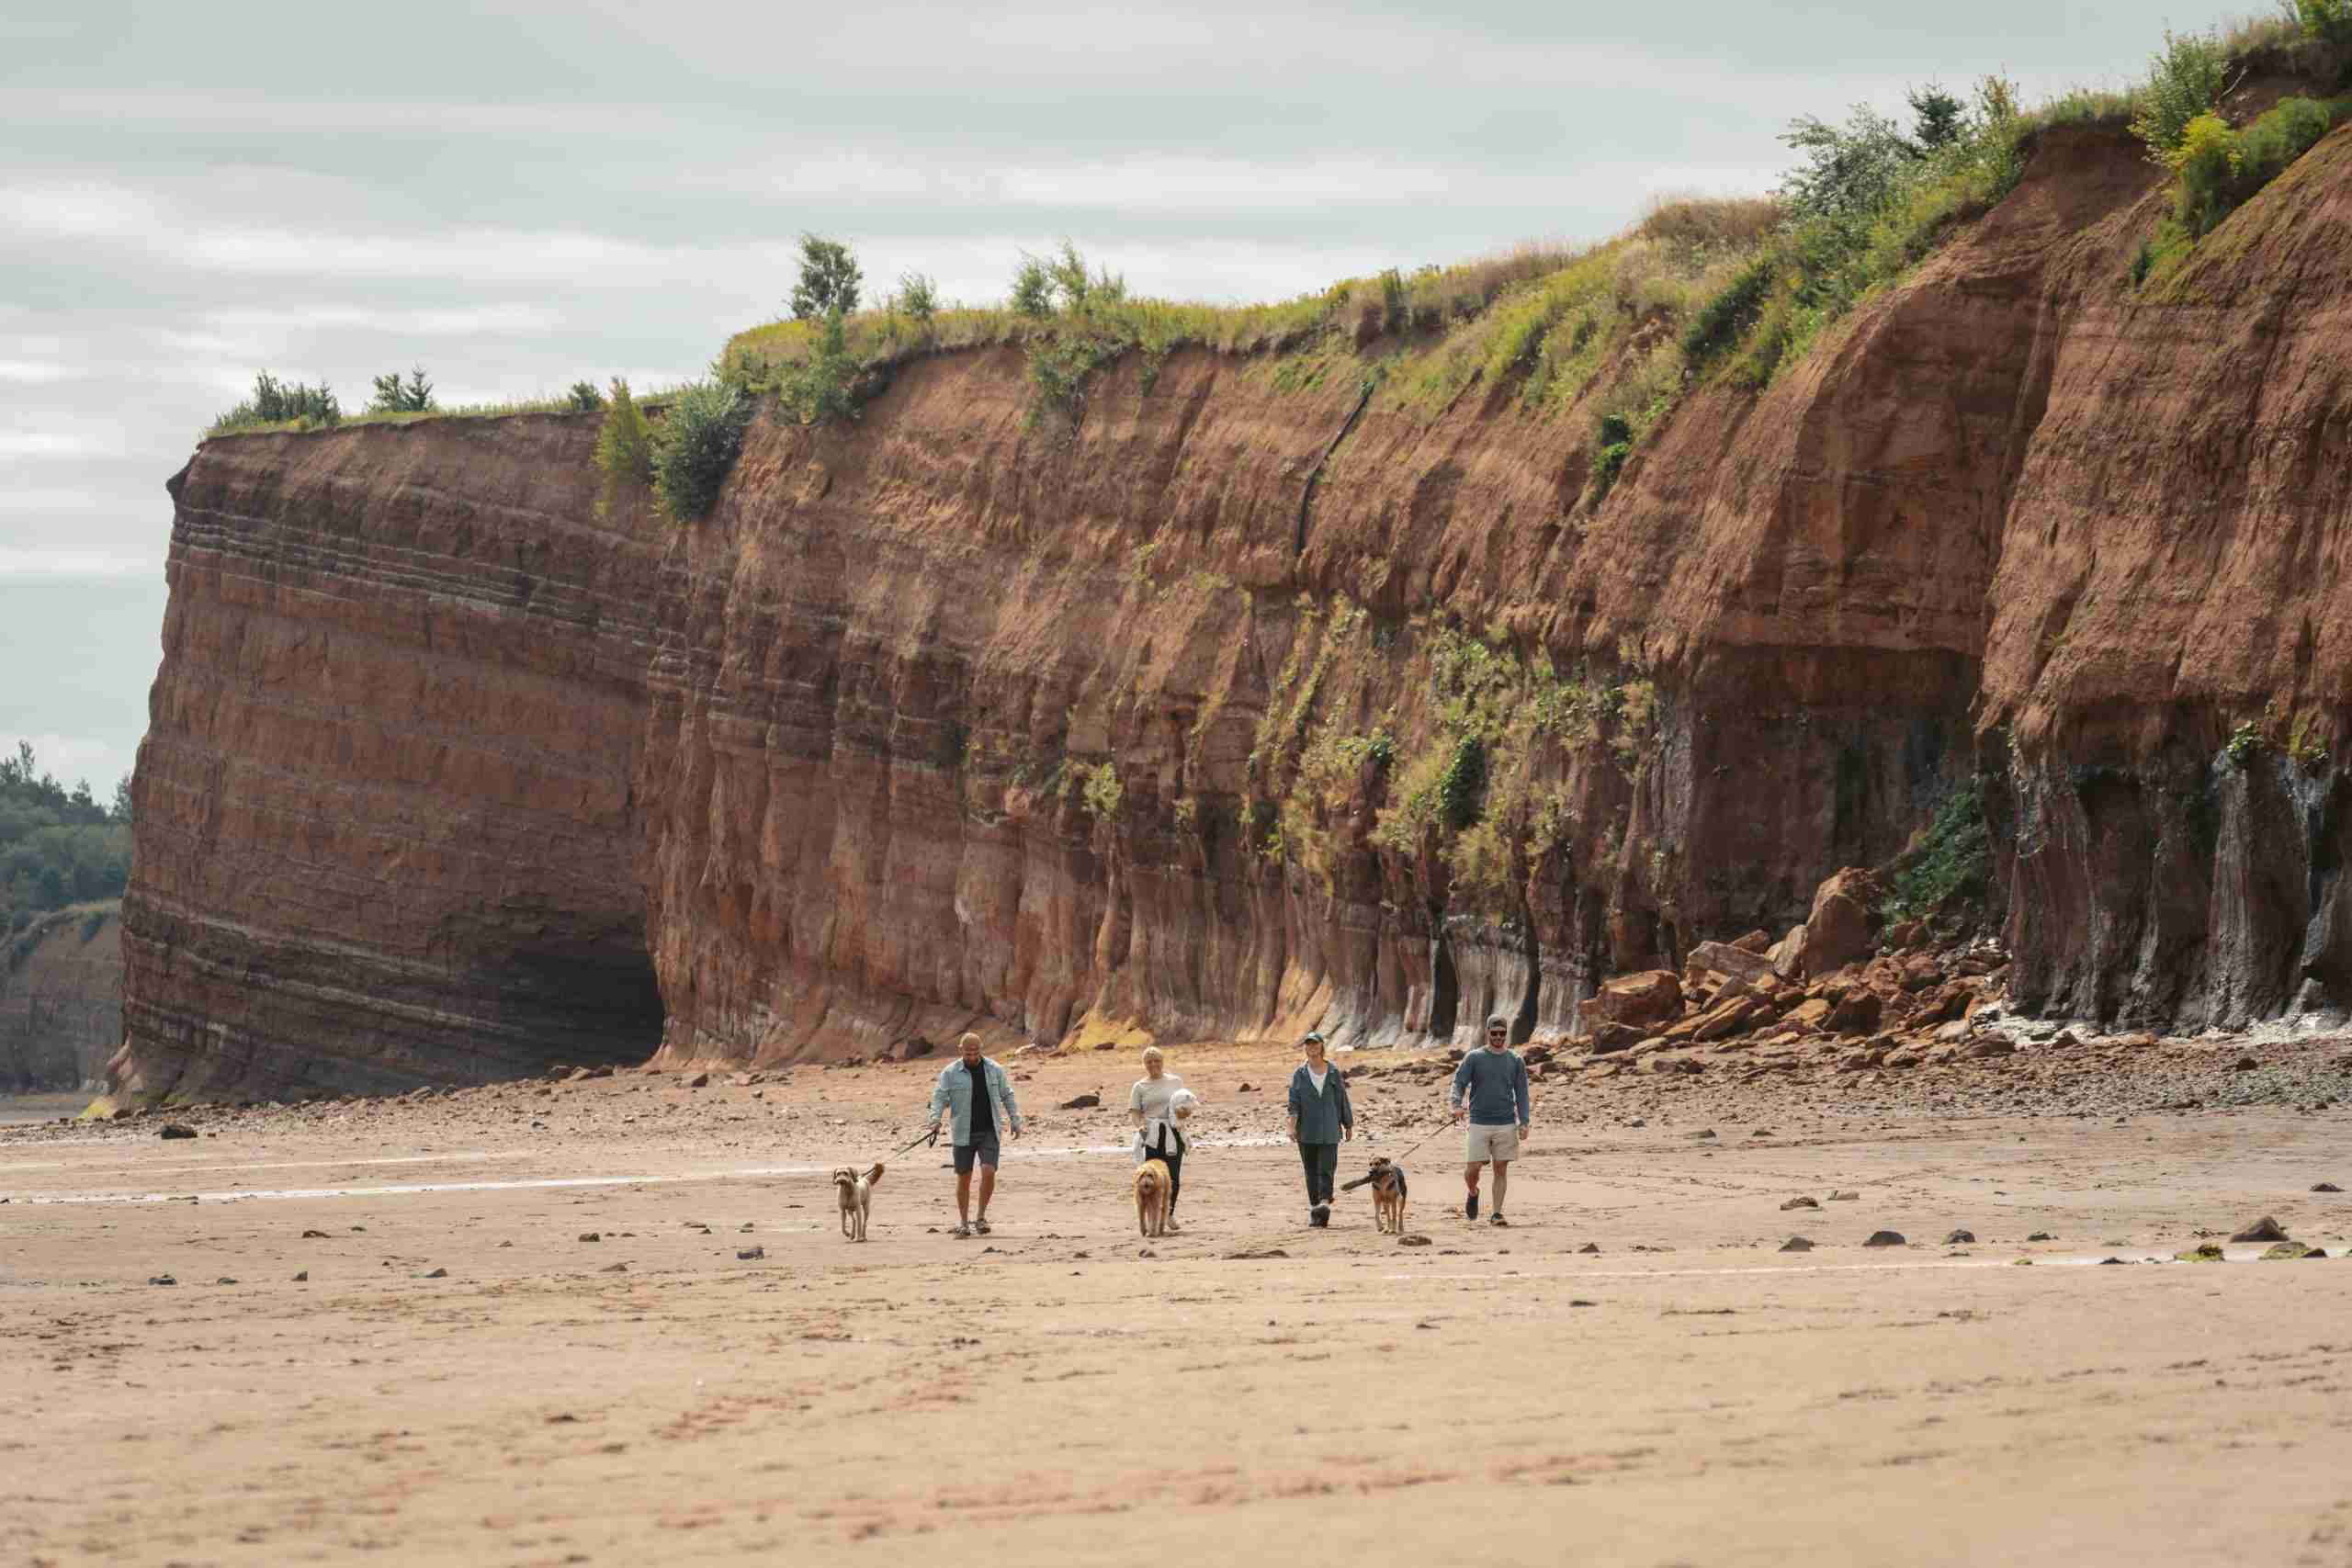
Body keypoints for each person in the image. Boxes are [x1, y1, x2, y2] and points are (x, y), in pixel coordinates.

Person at [925, 1032, 1023, 1238]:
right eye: (968, 1053)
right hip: (963, 1132)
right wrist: (934, 1120)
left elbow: (1008, 1095)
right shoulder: (950, 1073)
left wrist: (1015, 1120)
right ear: (961, 1050)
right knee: (964, 1178)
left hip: (989, 1130)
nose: (972, 1057)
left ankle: (980, 1217)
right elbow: (939, 1097)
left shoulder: (995, 1070)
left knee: (988, 1171)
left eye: (975, 1053)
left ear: (980, 1051)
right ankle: (963, 1222)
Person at [1450, 1013, 1532, 1226]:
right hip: (1478, 1121)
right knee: (1472, 1169)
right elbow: (1458, 1082)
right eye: (1494, 1033)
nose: (1498, 1037)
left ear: (1506, 1034)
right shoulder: (1474, 1058)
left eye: (1502, 1033)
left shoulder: (1515, 1060)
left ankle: (1496, 1213)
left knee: (1500, 1169)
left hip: (1506, 1122)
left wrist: (1524, 1121)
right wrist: (1456, 1105)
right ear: (1487, 1032)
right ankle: (1473, 1191)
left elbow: (1522, 1093)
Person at [1286, 1031, 1353, 1227]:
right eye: (1308, 1044)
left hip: (1330, 1129)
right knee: (1311, 1171)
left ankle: (1324, 1203)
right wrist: (1291, 1127)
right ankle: (1315, 1208)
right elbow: (1293, 1103)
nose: (1312, 1047)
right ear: (1305, 1048)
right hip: (1306, 1131)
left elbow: (1342, 1099)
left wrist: (1348, 1124)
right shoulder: (1300, 1074)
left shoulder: (1332, 1072)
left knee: (1327, 1169)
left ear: (1321, 1047)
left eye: (1315, 1044)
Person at [1128, 1044, 1190, 1233]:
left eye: (1156, 1061)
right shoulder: (1139, 1087)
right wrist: (1140, 1127)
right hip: (1151, 1135)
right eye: (1149, 1062)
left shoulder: (1175, 1082)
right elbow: (1135, 1113)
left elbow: (1186, 1106)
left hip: (1172, 1131)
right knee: (1151, 1177)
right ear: (1144, 1064)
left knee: (1172, 1176)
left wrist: (1184, 1112)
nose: (1153, 1064)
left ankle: (1168, 1213)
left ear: (1162, 1062)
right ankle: (1150, 1219)